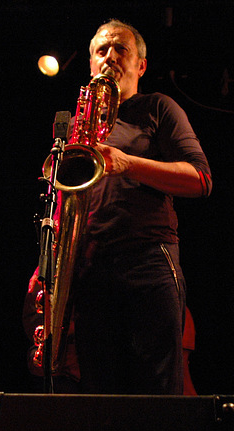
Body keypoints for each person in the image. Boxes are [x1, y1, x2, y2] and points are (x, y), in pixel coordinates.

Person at [59, 19, 211, 395]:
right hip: (91, 268)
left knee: (158, 392)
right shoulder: (77, 124)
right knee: (99, 395)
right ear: (91, 64)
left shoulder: (158, 107)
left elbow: (201, 178)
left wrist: (128, 163)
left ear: (140, 65)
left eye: (121, 49)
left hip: (148, 261)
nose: (110, 57)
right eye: (101, 51)